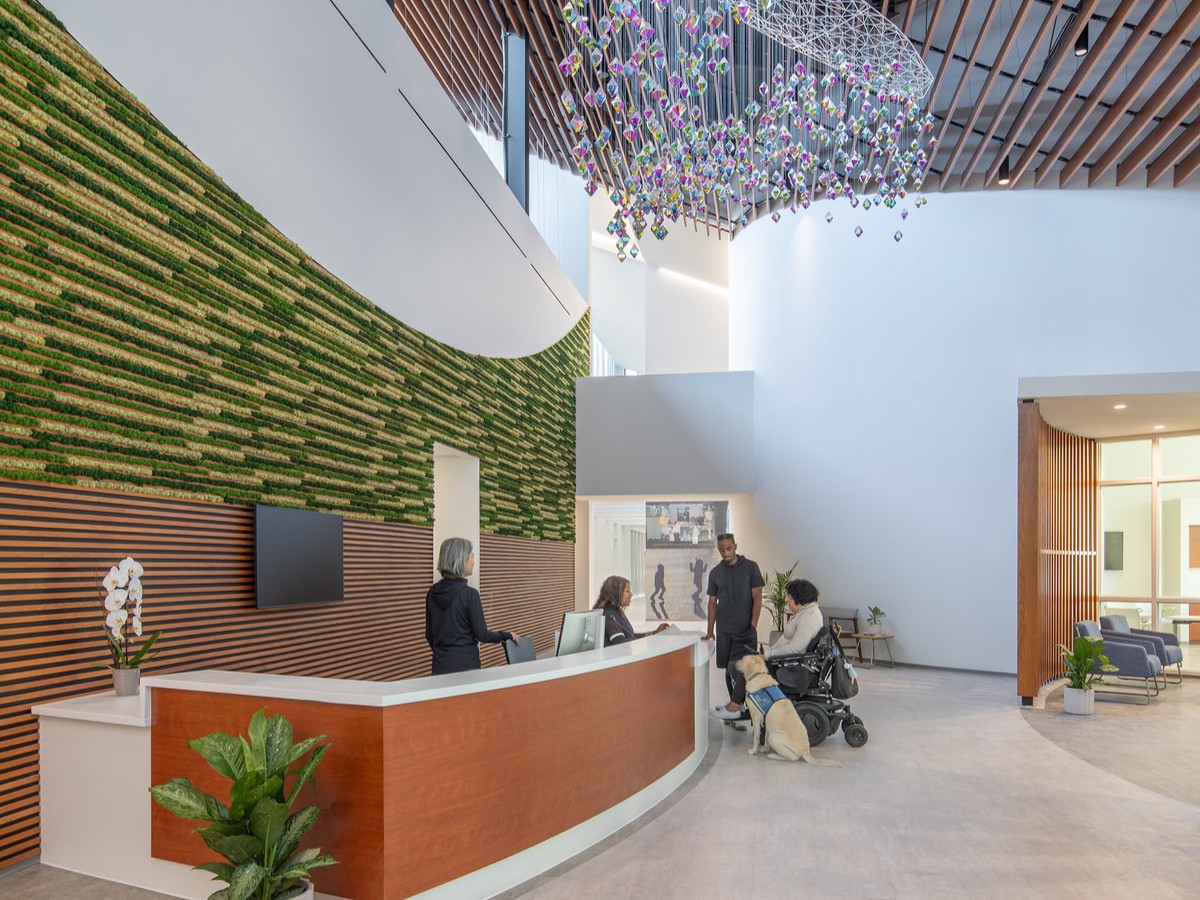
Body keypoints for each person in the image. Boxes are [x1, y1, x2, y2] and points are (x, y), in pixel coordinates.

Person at [712, 577, 823, 719]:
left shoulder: (809, 618)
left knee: (747, 666)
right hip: (785, 661)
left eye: (789, 596)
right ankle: (738, 703)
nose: (786, 600)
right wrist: (766, 652)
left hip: (791, 667)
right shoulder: (804, 613)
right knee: (732, 666)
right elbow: (786, 642)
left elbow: (794, 649)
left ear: (798, 596)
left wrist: (766, 656)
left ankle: (734, 707)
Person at [425, 537, 519, 675]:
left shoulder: (431, 593)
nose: (473, 562)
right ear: (461, 560)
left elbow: (429, 635)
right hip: (466, 668)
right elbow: (482, 635)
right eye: (471, 556)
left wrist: (445, 655)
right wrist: (507, 635)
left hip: (440, 667)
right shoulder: (470, 594)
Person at [702, 533, 764, 717]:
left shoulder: (751, 568)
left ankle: (741, 706)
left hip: (745, 631)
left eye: (728, 548)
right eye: (721, 549)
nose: (725, 552)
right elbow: (712, 603)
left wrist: (753, 626)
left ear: (735, 546)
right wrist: (710, 631)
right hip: (724, 631)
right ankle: (735, 706)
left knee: (744, 669)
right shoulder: (715, 573)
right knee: (728, 670)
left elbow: (757, 598)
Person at [593, 575, 669, 646]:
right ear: (615, 593)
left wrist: (654, 633)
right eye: (627, 591)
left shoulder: (616, 612)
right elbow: (620, 643)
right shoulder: (609, 613)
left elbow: (631, 637)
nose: (631, 594)